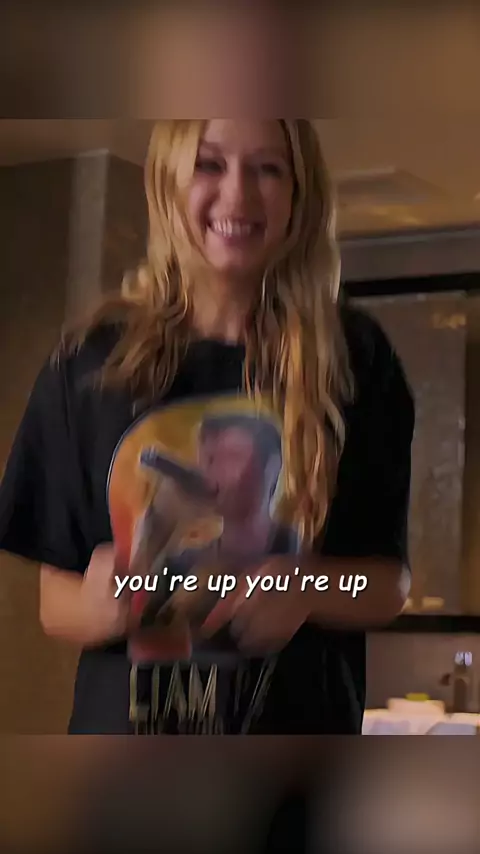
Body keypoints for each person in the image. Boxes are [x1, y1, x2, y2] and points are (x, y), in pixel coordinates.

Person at [0, 120, 414, 735]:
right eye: (209, 164)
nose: (237, 195)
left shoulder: (354, 358)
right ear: (168, 182)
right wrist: (99, 606)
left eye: (268, 168)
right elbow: (54, 605)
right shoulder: (90, 363)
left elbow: (385, 585)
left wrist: (311, 589)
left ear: (300, 194)